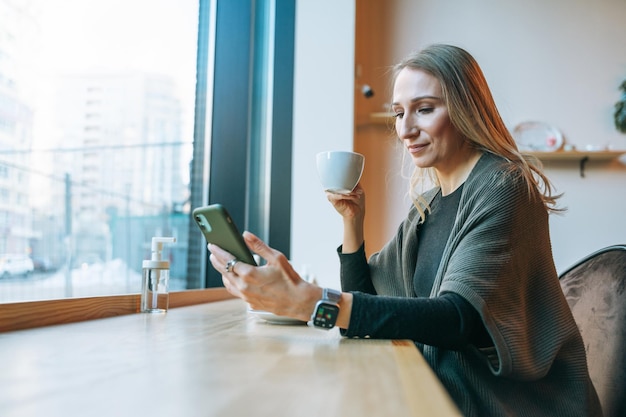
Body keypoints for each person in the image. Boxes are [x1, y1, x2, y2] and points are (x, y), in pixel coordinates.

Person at [208, 44, 602, 417]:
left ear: (467, 110)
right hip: (445, 391)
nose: (405, 129)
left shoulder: (503, 186)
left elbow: (457, 319)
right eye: (398, 113)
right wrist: (352, 222)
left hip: (510, 405)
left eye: (424, 109)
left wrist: (313, 303)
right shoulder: (427, 207)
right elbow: (365, 301)